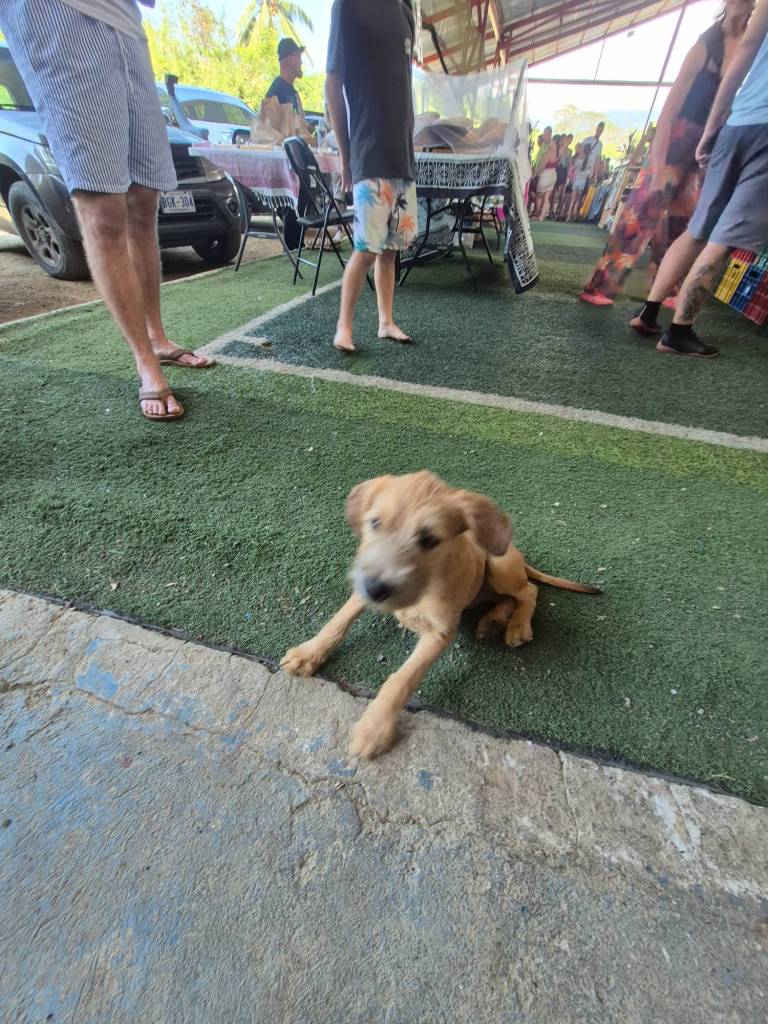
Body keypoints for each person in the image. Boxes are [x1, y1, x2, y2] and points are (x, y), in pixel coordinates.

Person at [0, 0, 215, 421]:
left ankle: (158, 338)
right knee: (103, 209)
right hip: (58, 20)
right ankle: (145, 363)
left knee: (143, 202)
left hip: (128, 28)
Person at [580, 1, 754, 306]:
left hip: (708, 144)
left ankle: (664, 288)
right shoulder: (706, 43)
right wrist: (659, 164)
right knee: (642, 211)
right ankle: (599, 286)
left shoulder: (750, 47)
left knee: (684, 219)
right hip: (676, 138)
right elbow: (670, 107)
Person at [630, 0, 768, 357]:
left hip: (736, 124)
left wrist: (716, 122)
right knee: (722, 236)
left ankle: (649, 311)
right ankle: (679, 331)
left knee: (698, 228)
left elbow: (749, 48)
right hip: (760, 133)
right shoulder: (707, 42)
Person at [325, 0, 417, 354]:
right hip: (369, 150)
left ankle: (385, 321)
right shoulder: (348, 4)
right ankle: (343, 326)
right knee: (366, 246)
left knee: (392, 249)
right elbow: (333, 83)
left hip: (401, 155)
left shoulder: (407, 8)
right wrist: (346, 157)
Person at [265, 37, 305, 115]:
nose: (301, 62)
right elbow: (267, 126)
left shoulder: (293, 93)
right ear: (288, 58)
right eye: (298, 57)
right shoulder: (275, 93)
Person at [532, 127, 558, 221]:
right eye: (543, 134)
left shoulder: (551, 146)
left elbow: (545, 160)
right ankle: (541, 216)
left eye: (545, 134)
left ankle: (538, 214)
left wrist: (537, 171)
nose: (544, 136)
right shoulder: (545, 144)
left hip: (546, 172)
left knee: (539, 195)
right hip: (549, 172)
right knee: (546, 195)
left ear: (549, 134)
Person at [551, 132, 573, 219]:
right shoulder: (560, 148)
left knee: (561, 193)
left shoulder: (570, 151)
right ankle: (551, 209)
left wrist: (568, 173)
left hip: (564, 171)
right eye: (568, 139)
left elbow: (569, 163)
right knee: (556, 192)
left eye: (571, 140)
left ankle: (559, 211)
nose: (569, 141)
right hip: (558, 169)